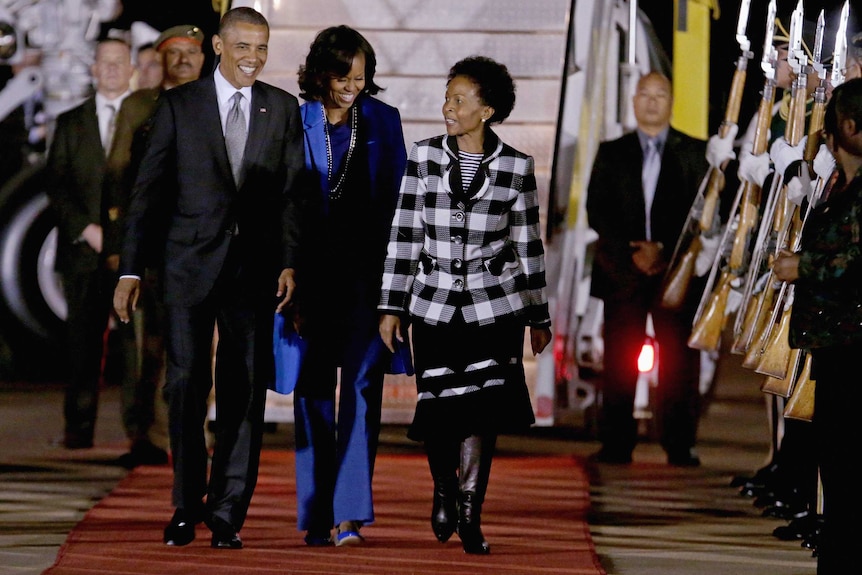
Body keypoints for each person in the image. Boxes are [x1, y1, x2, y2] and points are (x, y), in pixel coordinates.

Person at [112, 7, 306, 550]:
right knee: (186, 388)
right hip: (186, 267)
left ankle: (227, 514)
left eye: (262, 47)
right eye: (243, 46)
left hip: (254, 273)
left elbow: (293, 194)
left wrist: (291, 261)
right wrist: (130, 268)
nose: (253, 57)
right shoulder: (179, 105)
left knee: (243, 394)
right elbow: (145, 195)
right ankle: (185, 505)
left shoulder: (282, 108)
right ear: (219, 46)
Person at [378, 55, 552, 555]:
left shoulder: (518, 167)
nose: (446, 107)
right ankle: (444, 488)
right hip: (431, 309)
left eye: (459, 99)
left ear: (488, 110)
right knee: (439, 409)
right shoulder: (423, 157)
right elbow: (404, 236)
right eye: (447, 97)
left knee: (480, 412)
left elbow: (528, 246)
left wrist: (538, 316)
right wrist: (391, 307)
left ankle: (472, 509)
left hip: (493, 310)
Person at [292, 25, 407, 547]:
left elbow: (402, 212)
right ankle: (318, 513)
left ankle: (350, 517)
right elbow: (279, 205)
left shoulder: (384, 121)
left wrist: (398, 294)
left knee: (362, 393)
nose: (351, 85)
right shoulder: (295, 121)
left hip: (368, 282)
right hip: (307, 283)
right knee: (312, 393)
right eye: (343, 75)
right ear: (321, 72)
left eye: (361, 77)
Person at [586, 71, 708, 467]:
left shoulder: (694, 152)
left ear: (672, 101)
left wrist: (664, 252)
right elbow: (597, 210)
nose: (652, 102)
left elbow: (701, 215)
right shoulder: (611, 151)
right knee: (620, 359)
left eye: (660, 95)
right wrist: (632, 252)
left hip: (674, 273)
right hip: (622, 272)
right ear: (634, 100)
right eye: (645, 94)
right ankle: (617, 443)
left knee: (678, 364)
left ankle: (679, 443)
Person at [104, 24, 207, 469]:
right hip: (150, 248)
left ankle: (185, 434)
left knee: (192, 347)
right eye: (174, 53)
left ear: (205, 57)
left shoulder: (214, 103)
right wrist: (122, 247)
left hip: (198, 249)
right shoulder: (139, 106)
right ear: (160, 59)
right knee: (144, 347)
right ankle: (142, 434)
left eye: (191, 52)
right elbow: (120, 179)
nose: (183, 60)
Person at [772, 76, 862, 575]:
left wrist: (801, 267)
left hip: (855, 344)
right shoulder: (842, 184)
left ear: (846, 126)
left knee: (849, 464)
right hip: (835, 342)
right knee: (838, 462)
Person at [46, 37, 134, 450]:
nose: (113, 68)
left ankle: (141, 433)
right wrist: (87, 228)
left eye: (120, 61)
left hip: (133, 254)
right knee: (82, 347)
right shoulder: (70, 122)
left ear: (131, 68)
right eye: (106, 62)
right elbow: (57, 186)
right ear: (94, 68)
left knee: (138, 351)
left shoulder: (147, 117)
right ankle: (78, 429)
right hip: (83, 254)